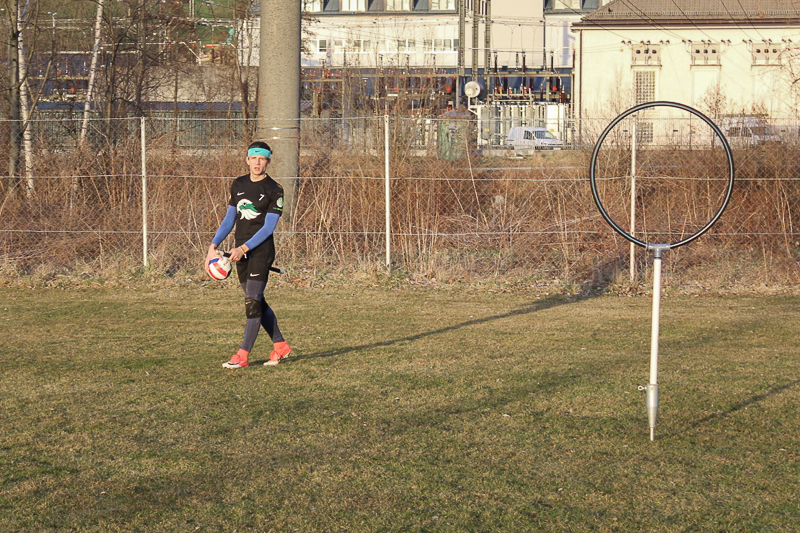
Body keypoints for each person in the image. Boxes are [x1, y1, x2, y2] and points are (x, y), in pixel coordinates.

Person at [205, 141, 291, 369]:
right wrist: (213, 246)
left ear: (268, 162)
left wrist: (244, 248)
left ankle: (242, 355)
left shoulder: (275, 189)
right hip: (238, 252)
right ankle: (280, 345)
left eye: (262, 159)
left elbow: (268, 228)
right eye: (254, 158)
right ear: (247, 160)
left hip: (260, 251)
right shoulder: (239, 184)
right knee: (256, 300)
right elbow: (229, 219)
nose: (257, 162)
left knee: (252, 301)